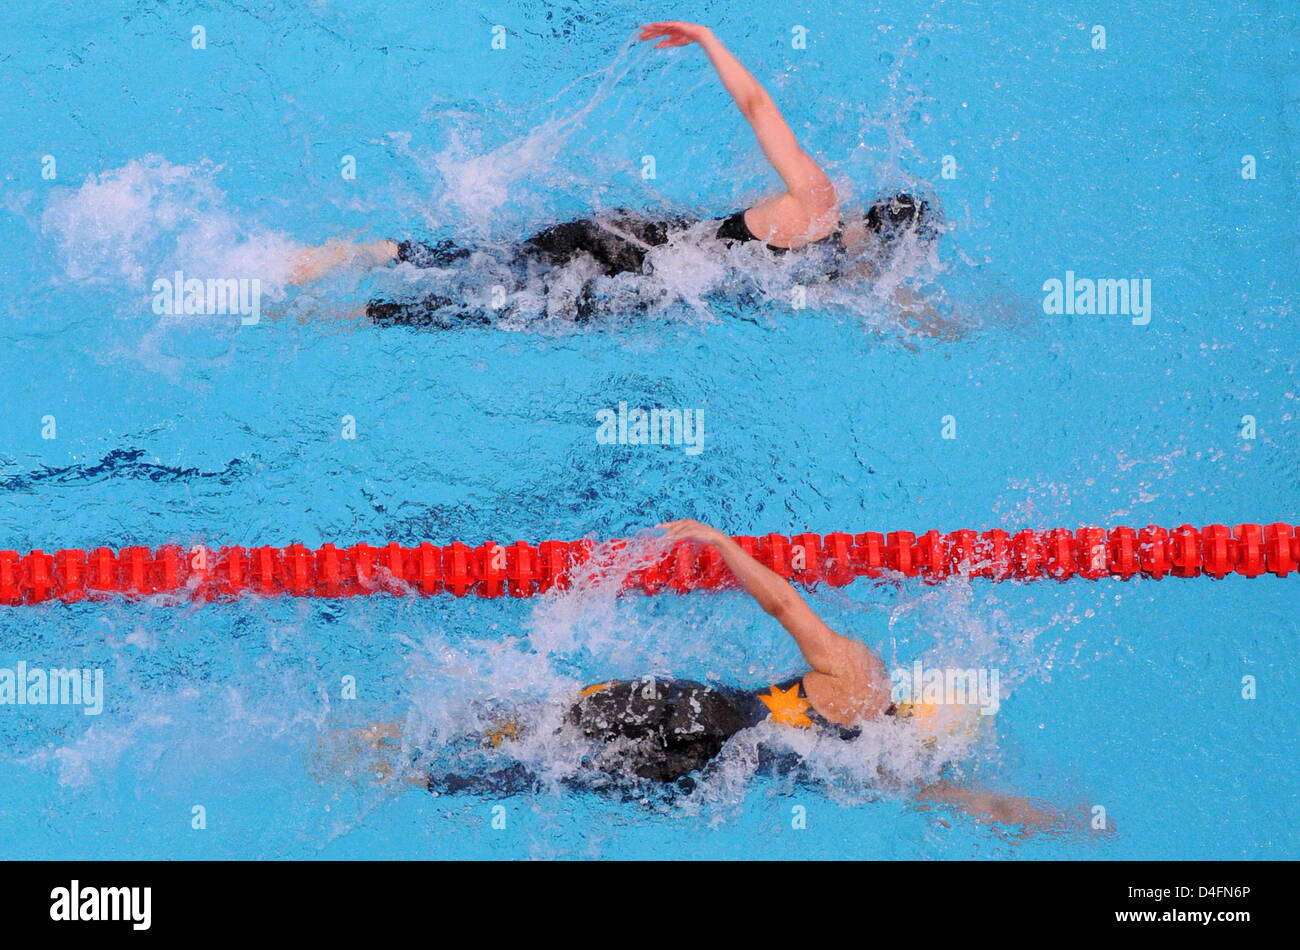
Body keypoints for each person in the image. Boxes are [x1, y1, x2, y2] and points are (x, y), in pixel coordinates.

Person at [341, 519, 1067, 831]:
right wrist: (1046, 820)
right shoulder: (880, 771)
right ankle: (420, 779)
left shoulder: (860, 673)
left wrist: (720, 542)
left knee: (556, 720)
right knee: (560, 774)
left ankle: (393, 738)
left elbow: (783, 601)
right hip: (698, 768)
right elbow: (969, 803)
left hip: (700, 710)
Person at [287, 21, 939, 327]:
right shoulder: (818, 210)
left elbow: (896, 309)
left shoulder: (841, 257)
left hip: (639, 273)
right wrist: (709, 40)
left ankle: (365, 283)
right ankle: (360, 282)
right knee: (503, 291)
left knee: (506, 293)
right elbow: (757, 107)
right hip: (617, 247)